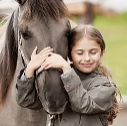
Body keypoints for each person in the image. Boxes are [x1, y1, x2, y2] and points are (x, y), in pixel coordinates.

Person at [16, 24, 120, 126]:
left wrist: (66, 69)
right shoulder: (59, 79)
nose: (87, 58)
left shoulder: (105, 86)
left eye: (93, 52)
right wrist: (30, 69)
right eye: (80, 53)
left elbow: (84, 104)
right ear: (69, 54)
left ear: (101, 53)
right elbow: (27, 101)